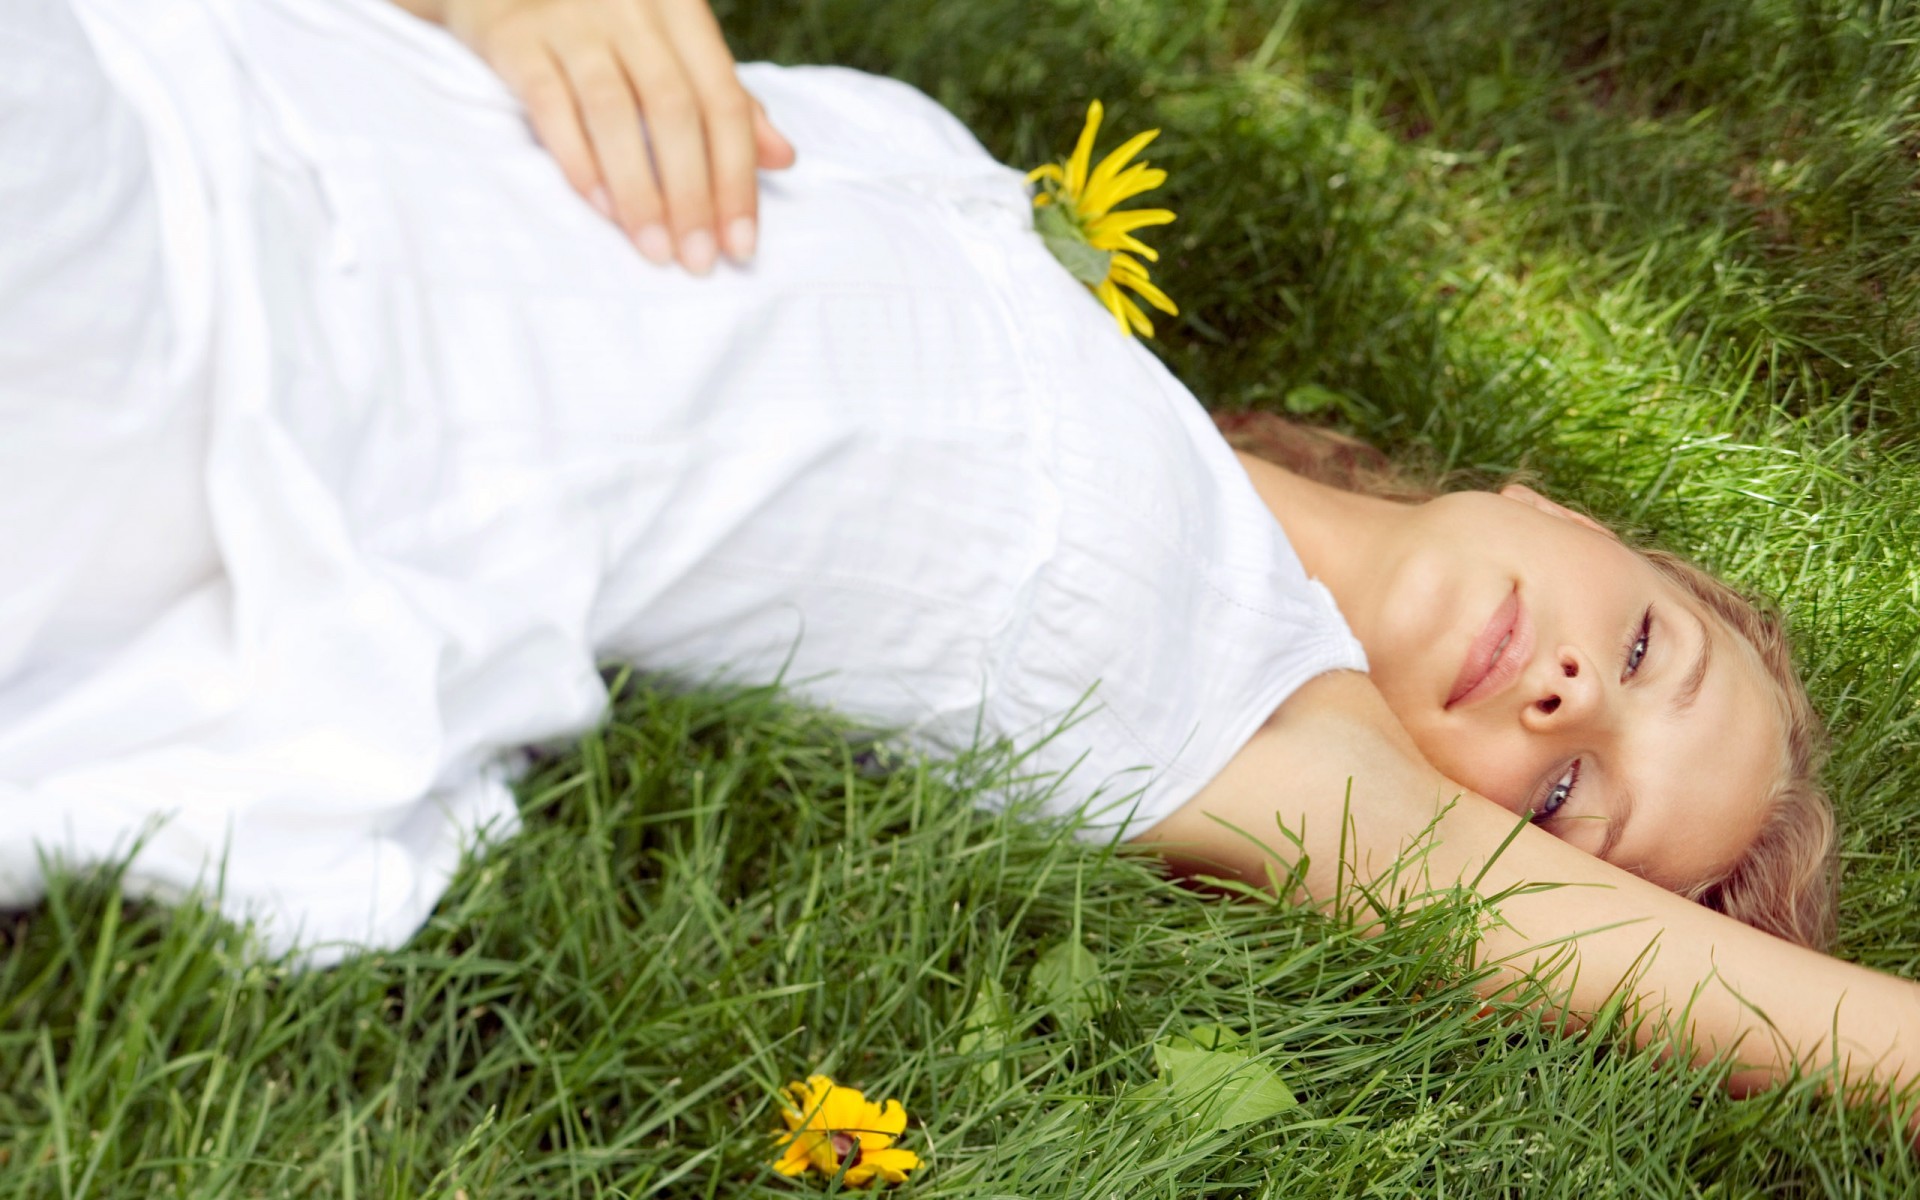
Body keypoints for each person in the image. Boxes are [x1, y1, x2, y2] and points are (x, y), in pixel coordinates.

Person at [3, 0, 1914, 1123]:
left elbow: (1711, 998)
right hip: (206, 77)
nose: (1575, 706)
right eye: (1649, 653)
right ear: (1563, 513)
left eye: (1572, 800)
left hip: (209, 379)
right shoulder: (1046, 266)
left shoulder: (1256, 721)